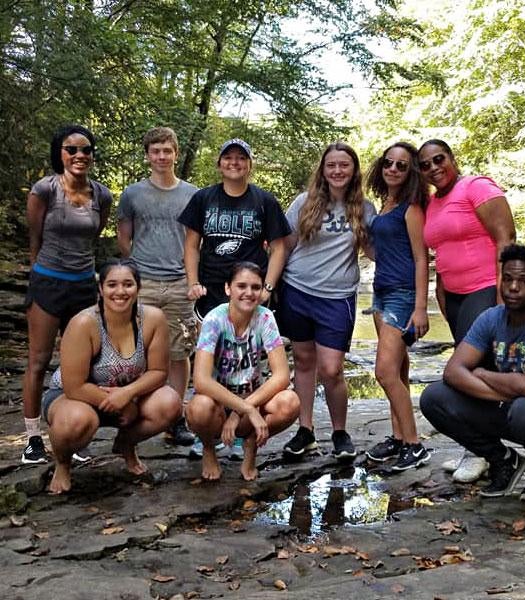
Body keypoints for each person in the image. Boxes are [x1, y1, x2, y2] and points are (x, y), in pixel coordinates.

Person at [420, 244, 525, 501]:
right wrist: (508, 393)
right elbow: (454, 371)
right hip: (512, 407)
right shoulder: (491, 318)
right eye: (508, 279)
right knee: (434, 397)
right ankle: (503, 461)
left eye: (524, 281)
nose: (513, 287)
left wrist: (484, 375)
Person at [418, 139, 516, 482]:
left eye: (438, 159)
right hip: (455, 296)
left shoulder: (475, 186)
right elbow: (440, 253)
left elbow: (506, 238)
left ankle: (485, 451)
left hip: (485, 288)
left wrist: (504, 297)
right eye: (426, 164)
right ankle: (480, 449)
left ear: (452, 158)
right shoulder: (432, 204)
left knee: (467, 370)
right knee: (472, 369)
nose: (433, 168)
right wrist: (441, 298)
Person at [43, 259, 181, 494]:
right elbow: (74, 386)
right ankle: (63, 464)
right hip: (74, 396)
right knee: (75, 422)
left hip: (128, 394)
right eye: (112, 285)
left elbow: (158, 372)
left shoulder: (153, 319)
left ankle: (126, 444)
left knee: (170, 403)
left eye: (128, 284)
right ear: (101, 289)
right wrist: (120, 406)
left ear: (138, 288)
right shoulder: (83, 323)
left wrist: (128, 395)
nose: (120, 292)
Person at [279, 142, 376, 461]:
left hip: (338, 297)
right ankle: (305, 431)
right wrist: (269, 286)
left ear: (353, 170)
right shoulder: (304, 203)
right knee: (304, 362)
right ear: (323, 169)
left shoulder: (365, 207)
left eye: (344, 165)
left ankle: (339, 432)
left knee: (332, 369)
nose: (337, 171)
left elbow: (374, 251)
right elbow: (286, 246)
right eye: (331, 165)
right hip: (298, 290)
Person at [22, 124, 112, 464]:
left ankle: (76, 434)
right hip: (48, 281)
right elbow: (35, 238)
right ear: (59, 153)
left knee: (82, 363)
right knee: (39, 360)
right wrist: (36, 279)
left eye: (86, 150)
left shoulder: (101, 195)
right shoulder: (44, 190)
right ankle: (33, 438)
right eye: (71, 149)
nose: (79, 156)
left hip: (83, 286)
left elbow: (94, 234)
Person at [117, 126, 198, 446]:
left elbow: (196, 240)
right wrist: (136, 267)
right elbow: (124, 236)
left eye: (167, 150)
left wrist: (192, 278)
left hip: (180, 282)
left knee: (179, 352)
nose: (162, 156)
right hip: (144, 283)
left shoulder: (192, 194)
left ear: (176, 153)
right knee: (139, 351)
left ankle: (175, 418)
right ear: (148, 155)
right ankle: (139, 411)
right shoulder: (133, 194)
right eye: (155, 151)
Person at [185, 262, 300, 481]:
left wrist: (242, 412)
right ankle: (209, 448)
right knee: (198, 407)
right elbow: (200, 381)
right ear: (228, 289)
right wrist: (246, 409)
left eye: (256, 287)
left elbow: (281, 376)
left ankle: (250, 445)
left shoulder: (265, 318)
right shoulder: (214, 320)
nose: (249, 293)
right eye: (241, 286)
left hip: (250, 403)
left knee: (289, 402)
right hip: (217, 406)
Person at [364, 142, 431, 470]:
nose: (393, 169)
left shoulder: (412, 207)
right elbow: (381, 252)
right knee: (400, 371)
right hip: (381, 293)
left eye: (401, 165)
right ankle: (399, 437)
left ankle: (416, 445)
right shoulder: (385, 204)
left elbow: (421, 259)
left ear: (411, 172)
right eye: (388, 163)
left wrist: (420, 308)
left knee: (385, 371)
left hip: (402, 297)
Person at [179, 138, 291, 319]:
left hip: (250, 288)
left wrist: (268, 287)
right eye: (228, 157)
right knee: (209, 345)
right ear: (219, 164)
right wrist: (193, 283)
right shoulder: (203, 198)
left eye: (241, 158)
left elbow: (278, 248)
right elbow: (191, 246)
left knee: (250, 345)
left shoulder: (265, 201)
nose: (234, 162)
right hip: (212, 287)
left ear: (249, 165)